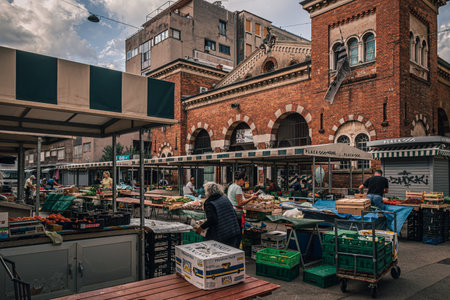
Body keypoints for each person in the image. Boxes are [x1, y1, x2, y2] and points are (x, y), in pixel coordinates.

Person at [195, 182, 241, 248]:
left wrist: (200, 228)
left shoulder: (210, 203)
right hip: (234, 231)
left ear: (208, 192)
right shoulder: (224, 198)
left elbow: (212, 220)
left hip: (222, 235)